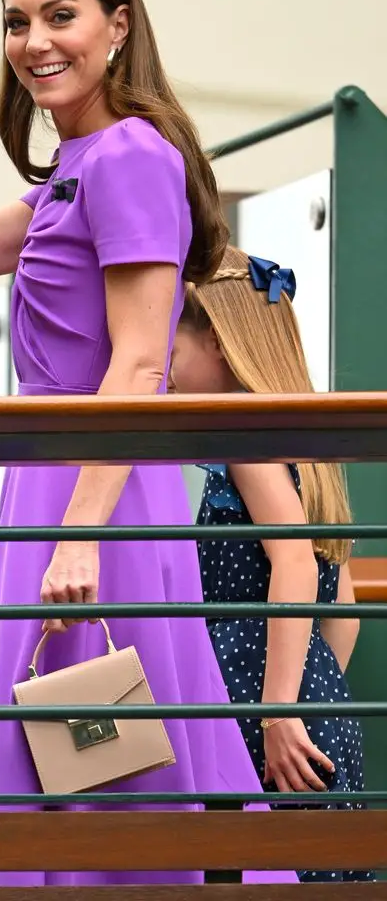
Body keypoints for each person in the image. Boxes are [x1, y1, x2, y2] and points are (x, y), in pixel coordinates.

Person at [0, 0, 297, 888]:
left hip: (96, 492)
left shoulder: (129, 158)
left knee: (98, 744)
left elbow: (141, 361)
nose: (34, 42)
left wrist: (78, 533)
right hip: (60, 485)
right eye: (18, 22)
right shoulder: (75, 168)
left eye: (60, 16)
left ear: (117, 27)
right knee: (66, 732)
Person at [171, 245, 373, 883]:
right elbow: (343, 616)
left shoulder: (244, 442)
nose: (164, 373)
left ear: (222, 350)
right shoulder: (306, 454)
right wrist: (312, 696)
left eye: (173, 353)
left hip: (264, 716)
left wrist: (279, 710)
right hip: (317, 705)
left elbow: (293, 565)